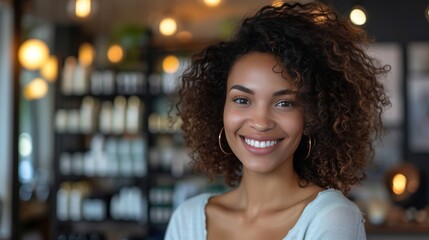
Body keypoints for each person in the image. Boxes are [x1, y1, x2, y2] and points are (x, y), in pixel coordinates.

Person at [165, 1, 390, 240]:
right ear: (219, 108)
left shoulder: (331, 218)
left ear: (313, 116)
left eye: (284, 103)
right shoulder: (188, 218)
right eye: (242, 100)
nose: (261, 122)